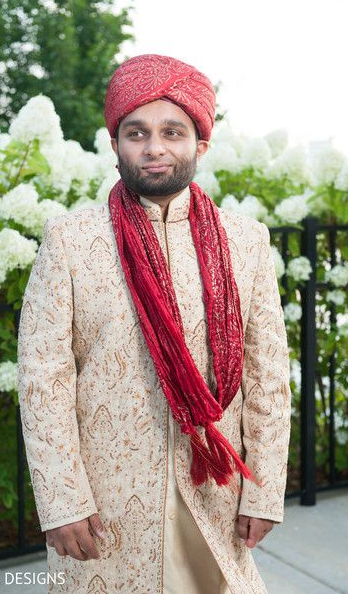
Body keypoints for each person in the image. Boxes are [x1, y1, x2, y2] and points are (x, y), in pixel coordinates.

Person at [17, 54, 291, 594]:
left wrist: (265, 492)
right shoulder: (71, 240)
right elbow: (41, 381)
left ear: (200, 145)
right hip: (106, 506)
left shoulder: (245, 241)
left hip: (214, 490)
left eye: (173, 131)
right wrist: (63, 500)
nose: (155, 148)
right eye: (136, 133)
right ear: (115, 143)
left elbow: (268, 378)